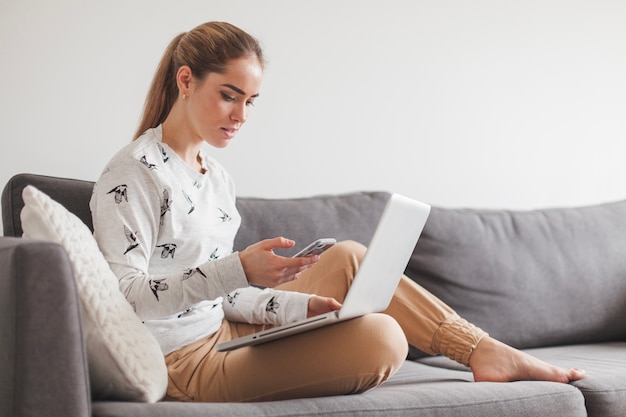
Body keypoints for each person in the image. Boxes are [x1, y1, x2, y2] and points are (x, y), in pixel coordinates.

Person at [89, 21, 585, 403]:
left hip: (224, 329)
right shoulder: (132, 174)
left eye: (251, 102)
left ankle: (485, 352)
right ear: (186, 81)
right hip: (183, 360)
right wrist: (238, 268)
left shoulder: (216, 178)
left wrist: (298, 308)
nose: (241, 116)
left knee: (348, 257)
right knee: (384, 338)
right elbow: (128, 299)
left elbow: (223, 299)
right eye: (229, 96)